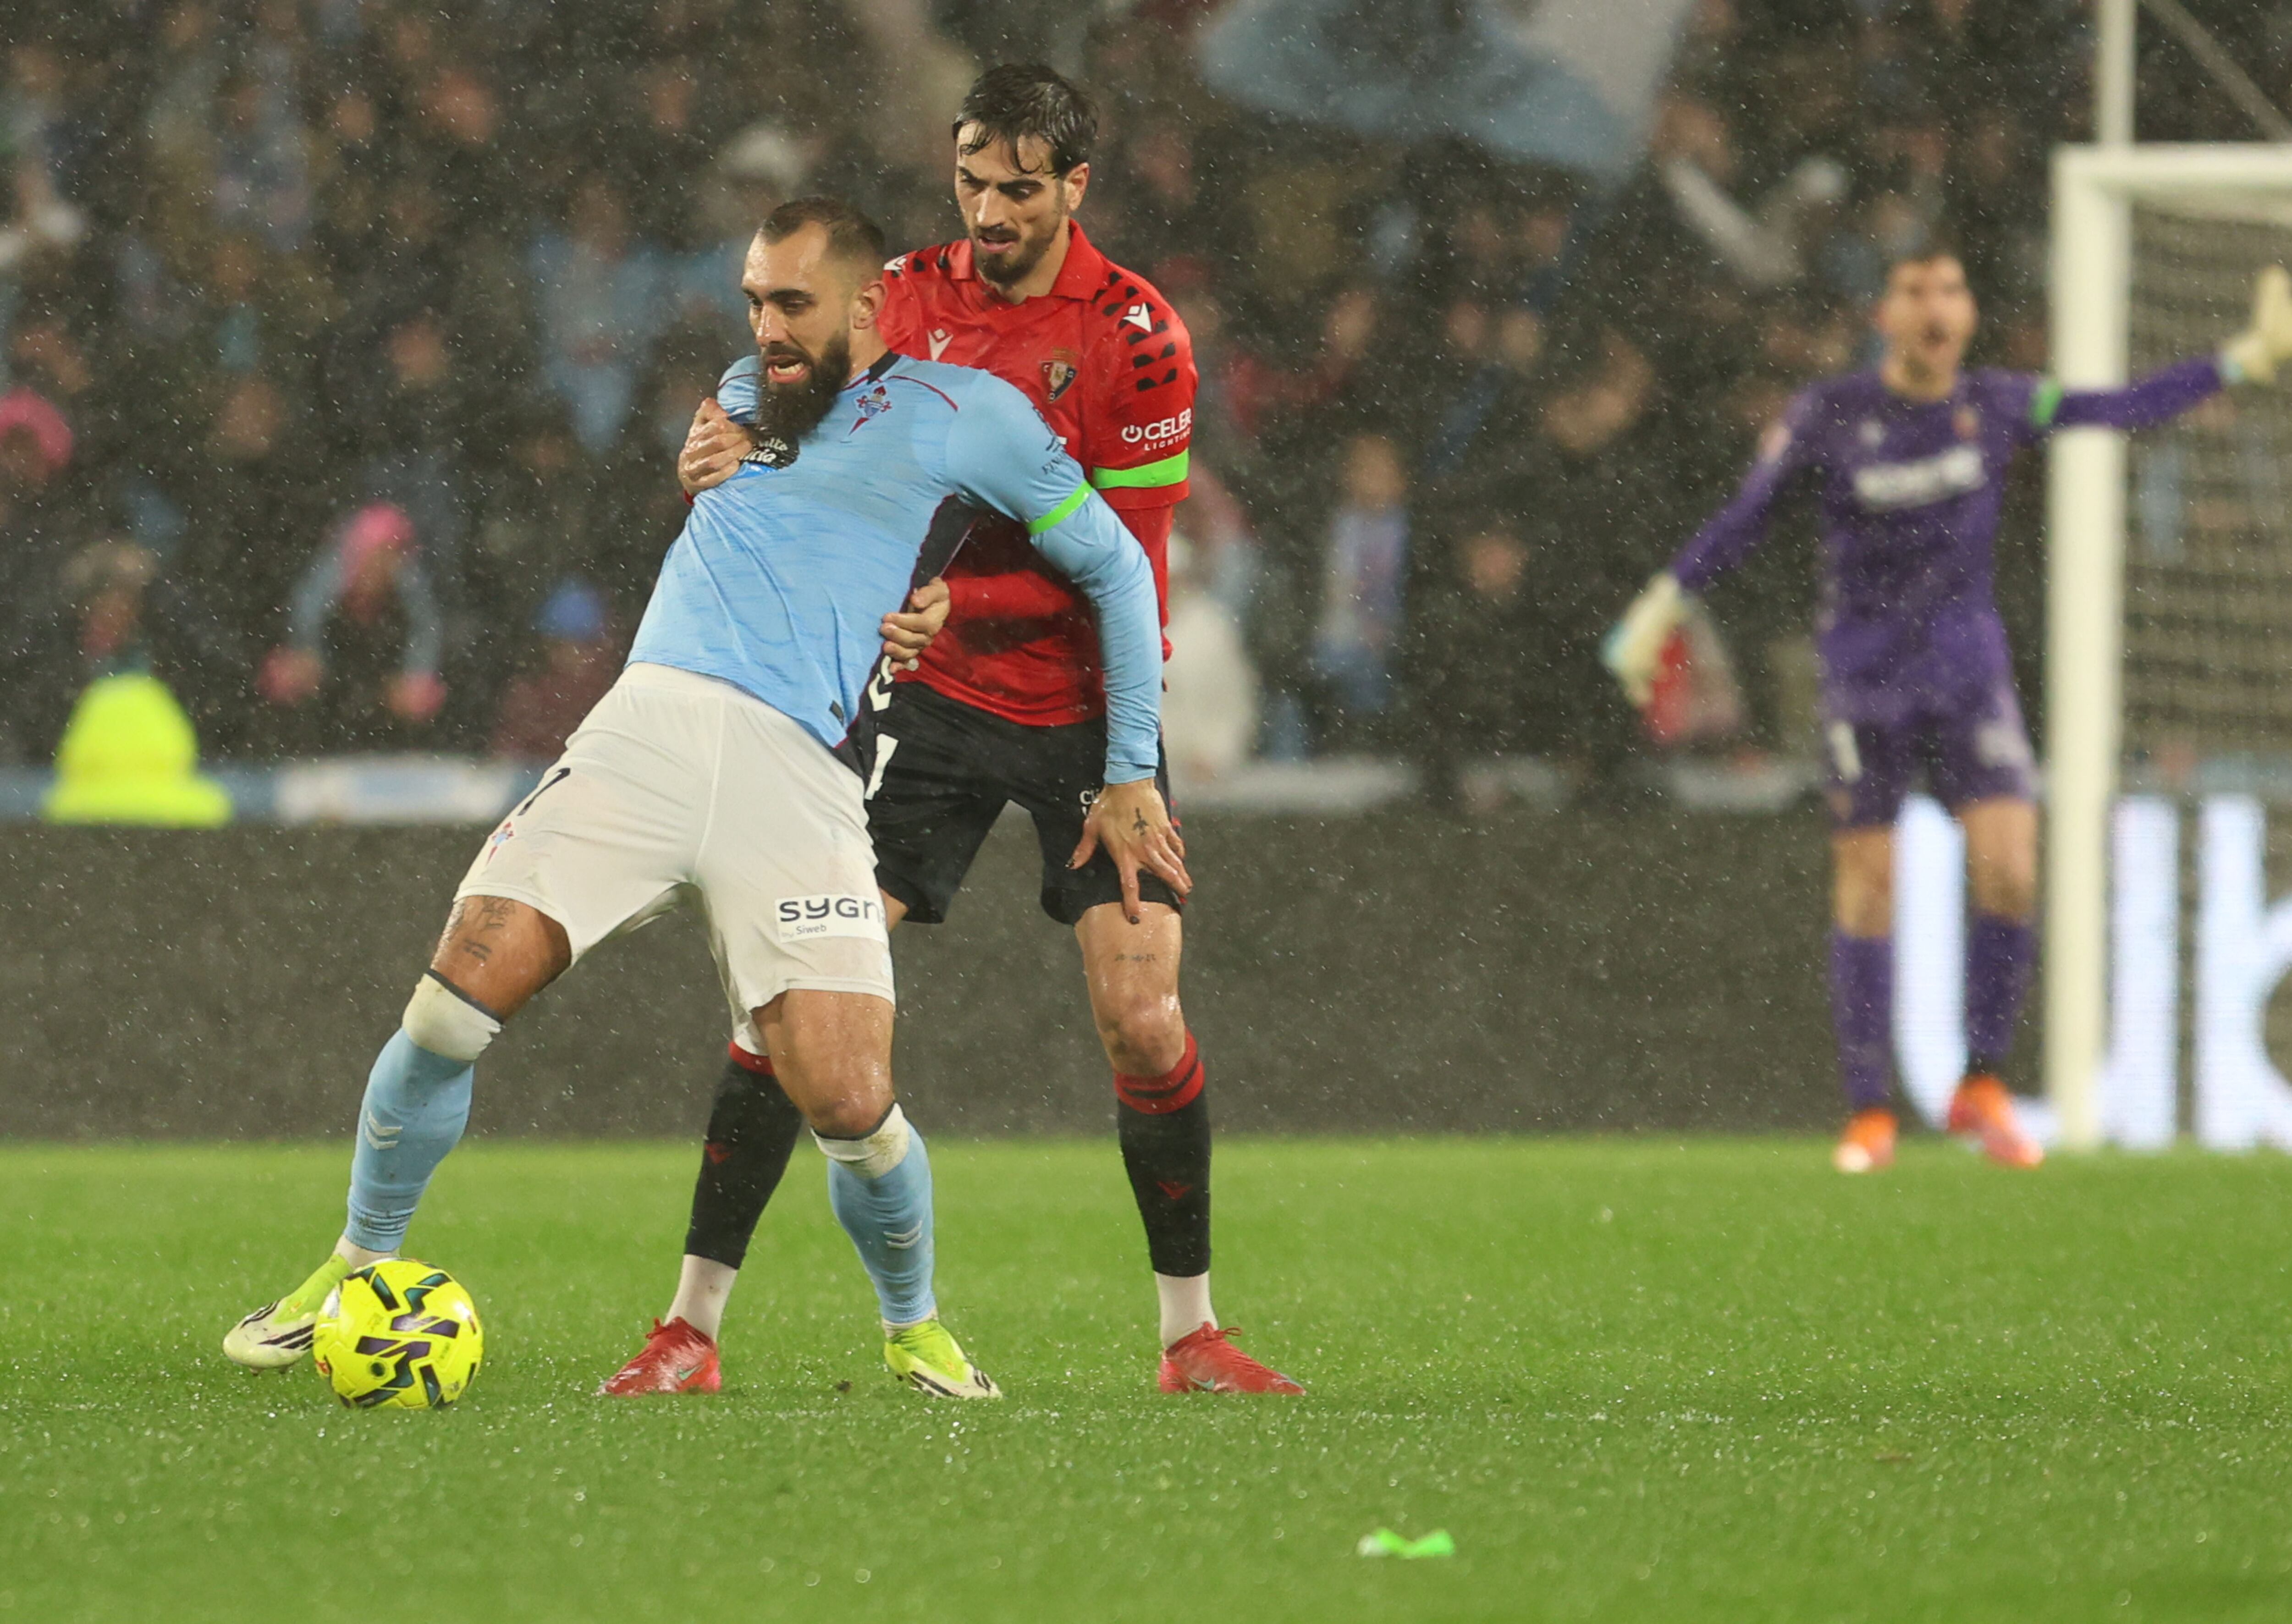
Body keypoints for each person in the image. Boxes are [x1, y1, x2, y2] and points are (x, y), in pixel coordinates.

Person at [223, 196, 1184, 1400]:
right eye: (752, 300)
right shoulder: (745, 393)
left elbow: (1110, 566)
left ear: (869, 307)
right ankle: (352, 1266)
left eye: (791, 303)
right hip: (650, 729)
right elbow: (760, 498)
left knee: (848, 1097)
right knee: (454, 1000)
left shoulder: (975, 419)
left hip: (800, 775)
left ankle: (912, 1325)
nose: (765, 327)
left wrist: (1129, 759)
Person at [605, 65, 1300, 1398]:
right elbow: (776, 390)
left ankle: (1191, 1337)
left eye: (1018, 189)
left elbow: (1129, 565)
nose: (988, 209)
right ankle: (690, 1327)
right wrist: (718, 433)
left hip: (1088, 703)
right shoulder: (907, 298)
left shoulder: (1137, 336)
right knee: (793, 995)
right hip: (922, 705)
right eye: (972, 180)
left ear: (1075, 187)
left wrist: (1127, 768)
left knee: (1146, 1017)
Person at [1605, 247, 2292, 1174]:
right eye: (1915, 291)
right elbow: (1747, 517)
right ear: (1883, 314)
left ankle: (1980, 1082)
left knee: (2010, 868)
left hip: (1967, 673)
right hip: (1862, 679)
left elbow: (2118, 407)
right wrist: (1663, 600)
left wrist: (2237, 361)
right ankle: (1868, 1110)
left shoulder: (2003, 403)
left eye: (1951, 290)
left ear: (1965, 314)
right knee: (1869, 881)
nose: (1935, 306)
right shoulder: (1830, 414)